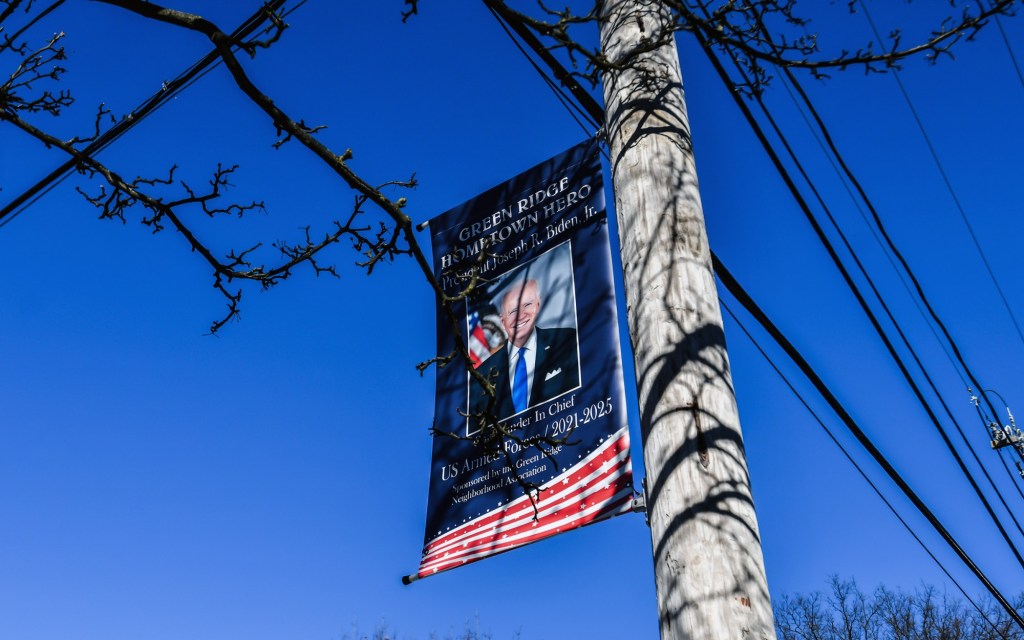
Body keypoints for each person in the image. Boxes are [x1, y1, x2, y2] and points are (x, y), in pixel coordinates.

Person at [469, 278, 579, 420]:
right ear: (502, 321)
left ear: (537, 306)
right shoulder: (483, 375)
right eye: (513, 311)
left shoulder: (567, 341)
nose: (520, 315)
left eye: (527, 305)